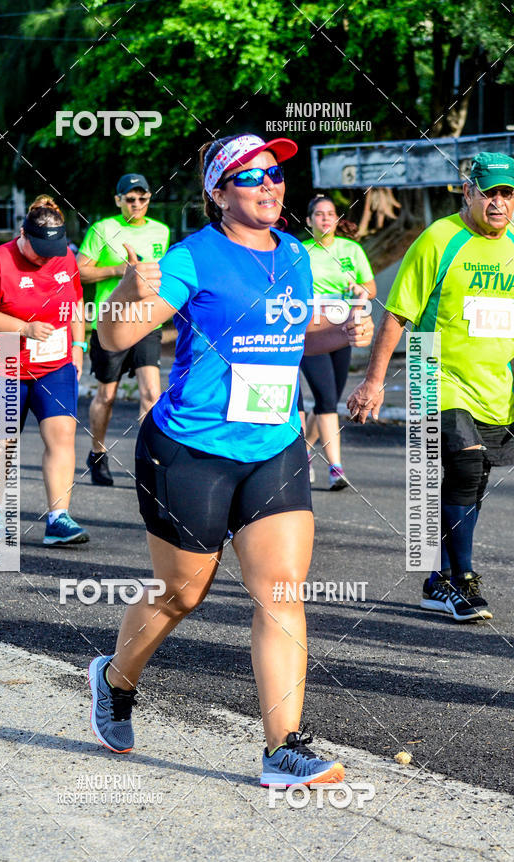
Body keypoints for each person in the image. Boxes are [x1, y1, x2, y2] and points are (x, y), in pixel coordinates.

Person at [87, 133, 373, 787]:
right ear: (219, 194)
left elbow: (290, 333)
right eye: (250, 177)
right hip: (190, 450)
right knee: (182, 594)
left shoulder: (296, 255)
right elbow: (117, 336)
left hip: (273, 447)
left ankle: (282, 749)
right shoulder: (193, 258)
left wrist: (342, 334)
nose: (269, 185)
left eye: (275, 174)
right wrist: (128, 290)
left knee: (282, 590)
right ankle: (116, 677)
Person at [347, 151, 514, 621]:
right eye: (490, 192)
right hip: (432, 370)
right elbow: (398, 313)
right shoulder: (438, 239)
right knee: (465, 467)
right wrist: (373, 382)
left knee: (474, 481)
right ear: (469, 191)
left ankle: (435, 579)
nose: (498, 202)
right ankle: (460, 579)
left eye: (507, 194)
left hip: (495, 383)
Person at [0, 196, 89, 546]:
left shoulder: (64, 256)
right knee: (3, 441)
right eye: (39, 250)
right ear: (23, 233)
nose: (46, 257)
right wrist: (24, 328)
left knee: (62, 436)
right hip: (1, 357)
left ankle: (58, 519)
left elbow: (75, 302)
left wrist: (78, 347)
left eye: (53, 249)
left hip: (54, 363)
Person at [77, 174, 170, 486]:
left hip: (147, 320)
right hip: (111, 320)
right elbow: (80, 271)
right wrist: (118, 270)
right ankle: (97, 452)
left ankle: (146, 459)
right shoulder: (103, 229)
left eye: (142, 198)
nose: (137, 204)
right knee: (107, 395)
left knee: (152, 393)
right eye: (130, 198)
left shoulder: (161, 231)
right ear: (118, 200)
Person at [301, 195, 376, 489]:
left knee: (328, 398)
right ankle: (336, 467)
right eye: (319, 214)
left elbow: (369, 287)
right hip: (311, 330)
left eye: (330, 214)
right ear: (308, 221)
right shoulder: (301, 252)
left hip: (342, 329)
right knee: (325, 397)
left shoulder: (351, 250)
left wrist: (361, 289)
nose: (325, 219)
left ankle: (304, 452)